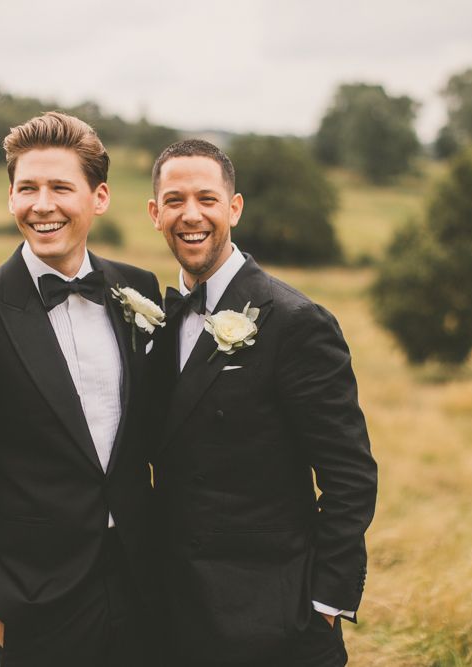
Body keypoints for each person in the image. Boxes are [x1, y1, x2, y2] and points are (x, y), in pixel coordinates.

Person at [0, 111, 163, 667]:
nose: (42, 204)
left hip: (142, 581)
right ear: (10, 198)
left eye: (60, 187)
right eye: (26, 188)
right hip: (34, 600)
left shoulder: (137, 290)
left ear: (98, 198)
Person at [147, 139, 377, 667]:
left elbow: (350, 475)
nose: (191, 215)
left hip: (275, 619)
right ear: (155, 213)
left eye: (207, 198)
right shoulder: (154, 323)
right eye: (175, 200)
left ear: (234, 207)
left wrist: (324, 601)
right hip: (172, 611)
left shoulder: (297, 322)